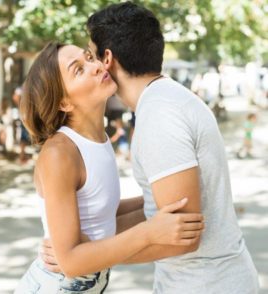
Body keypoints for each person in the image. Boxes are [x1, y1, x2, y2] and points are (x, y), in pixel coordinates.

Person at [42, 2, 259, 293]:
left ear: (108, 59)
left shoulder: (159, 116)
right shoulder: (164, 101)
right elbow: (157, 210)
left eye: (91, 55)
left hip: (206, 284)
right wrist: (73, 241)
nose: (93, 66)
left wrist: (83, 257)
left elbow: (180, 234)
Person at [14, 42, 204, 293]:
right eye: (78, 70)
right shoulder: (59, 154)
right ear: (64, 103)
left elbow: (101, 211)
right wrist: (149, 233)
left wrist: (161, 196)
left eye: (89, 57)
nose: (95, 66)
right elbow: (70, 262)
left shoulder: (97, 138)